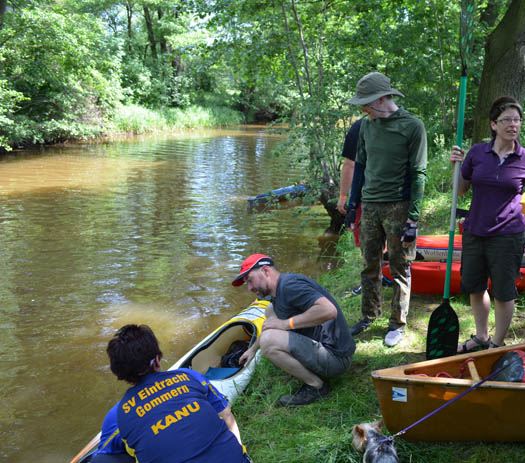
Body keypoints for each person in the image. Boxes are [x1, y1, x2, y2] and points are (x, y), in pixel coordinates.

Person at [449, 97, 525, 352]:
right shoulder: (478, 152)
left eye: (517, 120)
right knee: (475, 287)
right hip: (475, 231)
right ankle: (481, 336)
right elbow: (462, 189)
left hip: (508, 234)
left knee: (504, 292)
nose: (513, 125)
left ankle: (497, 344)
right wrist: (455, 166)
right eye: (507, 120)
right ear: (493, 124)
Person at [345, 71, 428, 347]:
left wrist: (413, 218)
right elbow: (360, 166)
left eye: (366, 103)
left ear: (382, 100)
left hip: (399, 206)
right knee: (369, 264)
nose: (363, 109)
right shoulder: (366, 126)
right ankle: (369, 315)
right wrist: (352, 204)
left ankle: (397, 324)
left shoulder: (412, 126)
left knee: (400, 266)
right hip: (369, 206)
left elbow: (418, 174)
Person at [107, 324, 249, 463]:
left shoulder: (121, 414)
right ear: (157, 360)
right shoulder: (189, 376)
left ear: (120, 374)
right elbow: (226, 414)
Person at [234, 254, 355, 406]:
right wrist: (252, 349)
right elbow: (270, 324)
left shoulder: (290, 286)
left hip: (336, 358)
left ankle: (317, 386)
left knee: (269, 342)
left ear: (265, 271)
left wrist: (285, 324)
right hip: (329, 351)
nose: (249, 288)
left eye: (250, 280)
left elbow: (328, 310)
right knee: (270, 311)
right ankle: (311, 373)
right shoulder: (278, 291)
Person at [336, 118, 363, 216]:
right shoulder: (406, 124)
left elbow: (350, 164)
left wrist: (343, 197)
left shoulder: (359, 126)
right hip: (401, 196)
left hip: (365, 197)